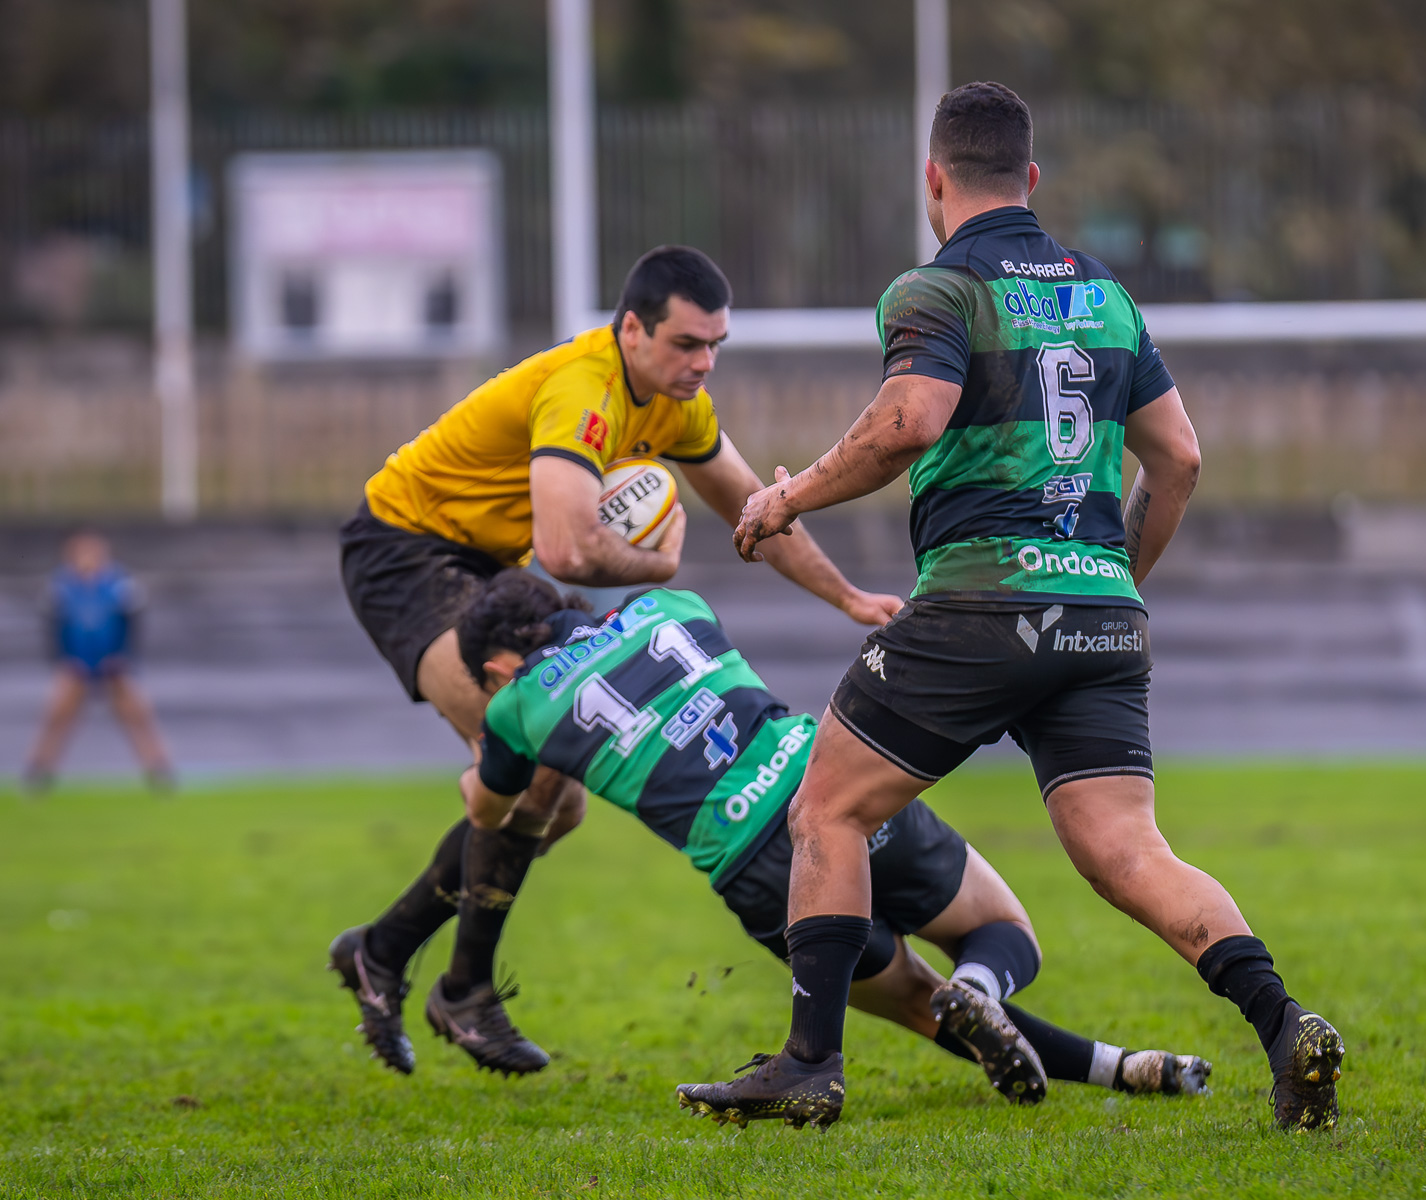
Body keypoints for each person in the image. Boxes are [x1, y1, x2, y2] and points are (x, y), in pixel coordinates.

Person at [690, 82, 1345, 1131]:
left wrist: (787, 497)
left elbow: (909, 420)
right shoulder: (1106, 297)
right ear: (1031, 178)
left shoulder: (937, 289)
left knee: (828, 810)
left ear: (933, 180)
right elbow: (1179, 459)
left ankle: (810, 1063)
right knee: (1132, 854)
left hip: (980, 603)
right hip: (1100, 614)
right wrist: (1110, 580)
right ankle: (1284, 1025)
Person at [332, 569, 1212, 1111]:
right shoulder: (670, 604)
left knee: (919, 1002)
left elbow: (490, 815)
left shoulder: (517, 705)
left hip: (753, 863)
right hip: (827, 788)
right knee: (1001, 932)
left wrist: (485, 753)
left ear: (495, 666)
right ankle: (1019, 1006)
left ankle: (1123, 1068)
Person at [334, 246, 901, 1074]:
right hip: (407, 553)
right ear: (631, 330)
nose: (703, 363)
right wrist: (657, 566)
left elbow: (758, 511)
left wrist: (848, 598)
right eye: (685, 344)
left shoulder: (678, 403)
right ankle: (458, 988)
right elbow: (567, 549)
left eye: (715, 345)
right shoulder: (583, 389)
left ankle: (386, 953)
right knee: (539, 770)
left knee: (556, 805)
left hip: (489, 566)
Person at [22, 530, 174, 792]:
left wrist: (123, 657)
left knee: (139, 717)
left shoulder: (119, 584)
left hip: (113, 664)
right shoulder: (61, 586)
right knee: (55, 718)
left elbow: (133, 623)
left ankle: (159, 772)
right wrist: (63, 661)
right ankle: (38, 773)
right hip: (76, 665)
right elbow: (52, 627)